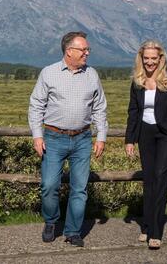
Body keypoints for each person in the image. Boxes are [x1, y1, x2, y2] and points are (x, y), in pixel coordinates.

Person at [28, 31, 108, 247]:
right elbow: (36, 106)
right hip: (53, 138)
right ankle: (51, 221)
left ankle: (73, 231)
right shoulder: (49, 73)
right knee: (49, 184)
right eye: (83, 50)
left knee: (79, 188)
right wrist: (37, 136)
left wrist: (101, 136)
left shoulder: (92, 75)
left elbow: (99, 107)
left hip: (82, 138)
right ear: (69, 51)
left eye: (87, 49)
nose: (87, 53)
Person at [124, 40, 167, 250]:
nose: (150, 62)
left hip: (166, 134)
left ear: (161, 58)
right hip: (145, 134)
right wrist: (130, 139)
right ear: (141, 59)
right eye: (146, 58)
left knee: (161, 178)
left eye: (153, 58)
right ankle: (147, 224)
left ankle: (155, 231)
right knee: (149, 180)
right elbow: (133, 111)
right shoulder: (137, 80)